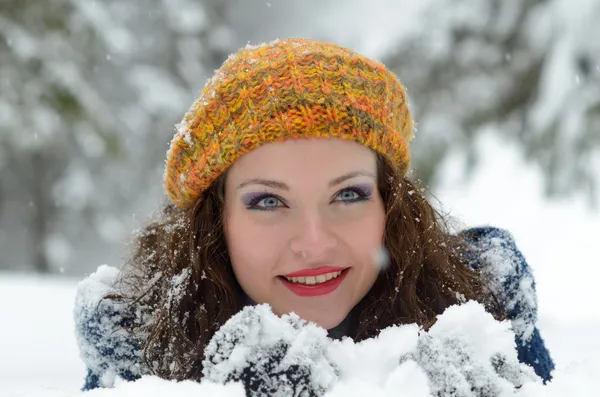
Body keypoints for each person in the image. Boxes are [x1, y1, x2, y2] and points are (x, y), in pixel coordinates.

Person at [74, 38, 554, 393]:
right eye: (268, 201)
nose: (314, 242)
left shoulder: (482, 300)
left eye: (348, 195)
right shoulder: (142, 341)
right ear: (215, 222)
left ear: (392, 205)